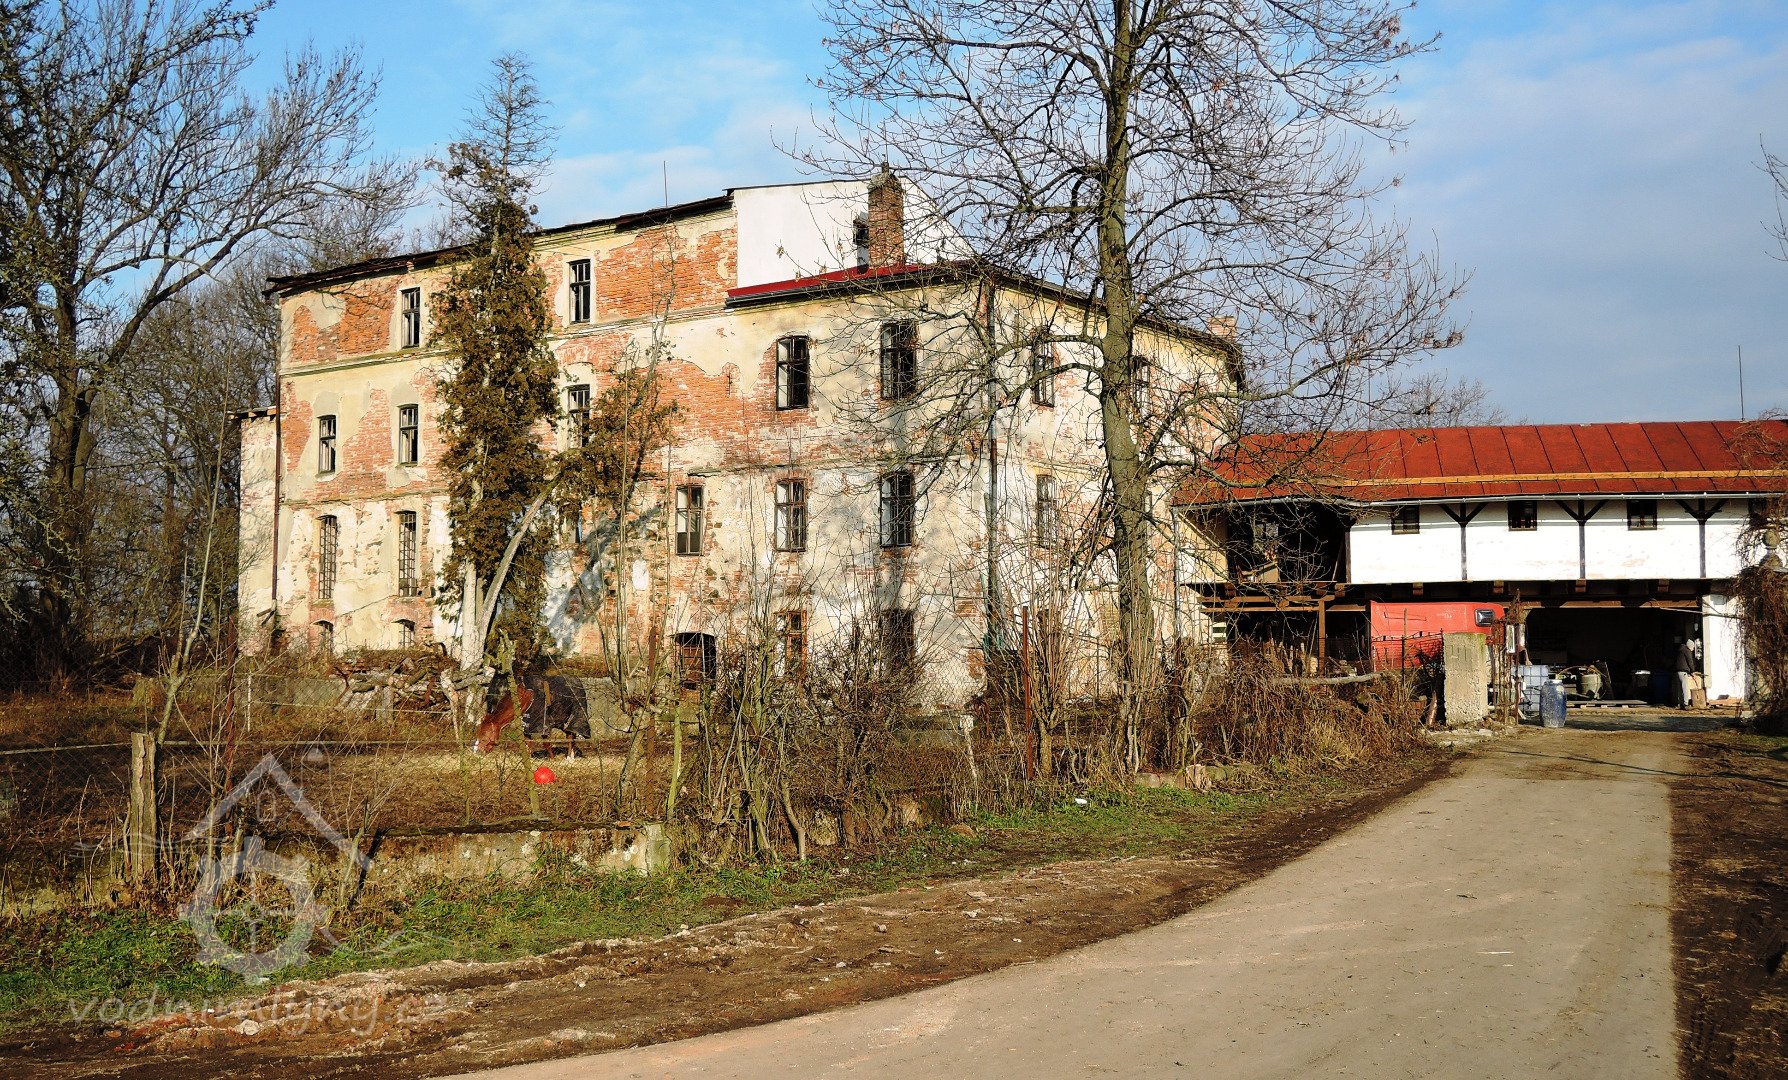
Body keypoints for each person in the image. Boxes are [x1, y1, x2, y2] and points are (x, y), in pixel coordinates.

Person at [1675, 636, 1701, 710]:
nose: (1693, 649)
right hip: (1684, 672)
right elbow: (1690, 661)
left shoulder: (1680, 650)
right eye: (1693, 647)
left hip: (1678, 671)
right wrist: (1693, 671)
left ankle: (1680, 703)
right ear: (1690, 646)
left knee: (1680, 688)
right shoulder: (1687, 651)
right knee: (1685, 688)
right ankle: (1686, 704)